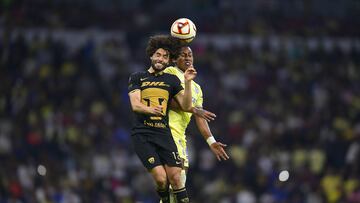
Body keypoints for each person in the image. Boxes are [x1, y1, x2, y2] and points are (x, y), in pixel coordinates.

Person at [128, 35, 196, 203]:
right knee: (161, 179)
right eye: (158, 55)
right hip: (143, 134)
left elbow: (186, 106)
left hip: (163, 134)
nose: (161, 59)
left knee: (176, 177)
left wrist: (187, 82)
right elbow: (135, 105)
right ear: (151, 55)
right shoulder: (138, 77)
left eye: (165, 56)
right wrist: (151, 109)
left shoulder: (171, 80)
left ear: (169, 61)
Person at [162, 46, 230, 202]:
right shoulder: (170, 73)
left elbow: (200, 117)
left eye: (190, 55)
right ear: (174, 59)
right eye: (183, 55)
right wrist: (193, 109)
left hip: (180, 136)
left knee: (178, 184)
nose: (187, 58)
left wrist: (211, 141)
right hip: (165, 132)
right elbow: (166, 100)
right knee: (176, 182)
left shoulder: (197, 89)